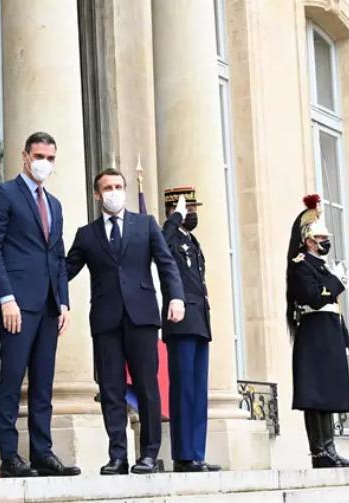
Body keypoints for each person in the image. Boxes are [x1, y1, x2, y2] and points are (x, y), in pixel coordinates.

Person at [66, 168, 185, 475]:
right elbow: (64, 270)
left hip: (142, 316)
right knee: (111, 389)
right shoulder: (86, 234)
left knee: (147, 387)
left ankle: (148, 454)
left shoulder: (145, 225)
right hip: (106, 320)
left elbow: (166, 263)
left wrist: (176, 297)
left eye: (118, 186)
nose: (114, 192)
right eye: (107, 187)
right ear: (97, 194)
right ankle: (117, 455)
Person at [0, 132, 79, 478]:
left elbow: (58, 255)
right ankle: (10, 455)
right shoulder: (3, 194)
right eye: (39, 156)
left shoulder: (54, 205)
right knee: (11, 378)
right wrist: (5, 297)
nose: (44, 163)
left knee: (43, 383)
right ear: (24, 156)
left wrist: (63, 301)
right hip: (16, 304)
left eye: (51, 158)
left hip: (49, 305)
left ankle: (42, 452)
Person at [286, 194, 349, 468]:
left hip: (327, 333)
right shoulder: (301, 266)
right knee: (315, 395)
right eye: (320, 238)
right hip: (314, 334)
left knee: (326, 392)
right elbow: (316, 297)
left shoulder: (320, 266)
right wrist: (337, 281)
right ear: (308, 240)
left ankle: (330, 447)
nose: (325, 242)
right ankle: (320, 451)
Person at [160, 187, 221, 473]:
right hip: (180, 321)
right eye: (189, 209)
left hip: (199, 320)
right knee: (183, 389)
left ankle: (197, 452)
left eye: (194, 209)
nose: (194, 214)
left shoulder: (192, 241)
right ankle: (183, 455)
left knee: (198, 391)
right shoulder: (169, 236)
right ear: (175, 211)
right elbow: (158, 246)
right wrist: (173, 220)